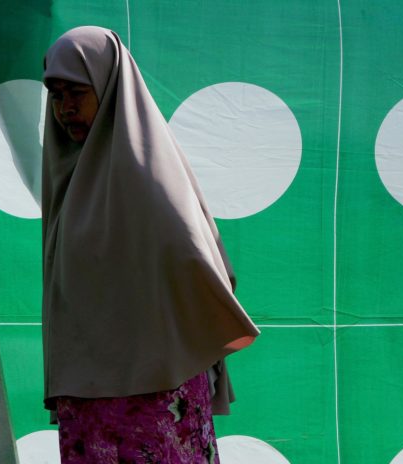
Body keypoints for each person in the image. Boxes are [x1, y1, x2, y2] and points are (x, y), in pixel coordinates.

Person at [41, 26, 259, 463]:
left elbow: (201, 260)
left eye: (76, 93)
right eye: (57, 95)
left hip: (156, 392)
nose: (65, 109)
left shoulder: (147, 171)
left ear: (107, 86)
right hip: (87, 395)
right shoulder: (65, 175)